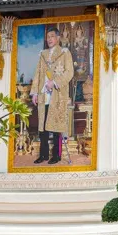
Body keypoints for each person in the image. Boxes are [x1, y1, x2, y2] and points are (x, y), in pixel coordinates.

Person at [30, 27, 74, 164]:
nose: (49, 39)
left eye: (52, 36)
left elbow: (69, 73)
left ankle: (56, 155)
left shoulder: (65, 53)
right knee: (42, 125)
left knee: (56, 126)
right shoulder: (42, 54)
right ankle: (43, 155)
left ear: (58, 38)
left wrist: (54, 82)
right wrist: (35, 93)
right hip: (44, 94)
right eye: (48, 37)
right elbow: (37, 74)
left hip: (57, 94)